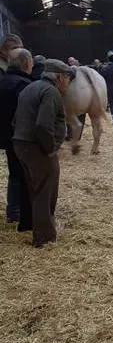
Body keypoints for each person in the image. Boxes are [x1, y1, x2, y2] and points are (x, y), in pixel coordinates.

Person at [13, 59, 73, 248]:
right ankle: (44, 238)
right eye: (67, 78)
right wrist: (50, 147)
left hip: (21, 143)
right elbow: (42, 124)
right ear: (60, 77)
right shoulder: (51, 92)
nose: (68, 82)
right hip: (36, 147)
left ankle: (38, 228)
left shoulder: (31, 87)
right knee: (45, 191)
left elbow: (16, 120)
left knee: (35, 188)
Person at [0, 47, 33, 230]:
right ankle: (19, 212)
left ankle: (12, 211)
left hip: (5, 136)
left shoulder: (2, 80)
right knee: (24, 175)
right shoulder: (23, 85)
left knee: (14, 174)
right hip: (20, 137)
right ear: (26, 63)